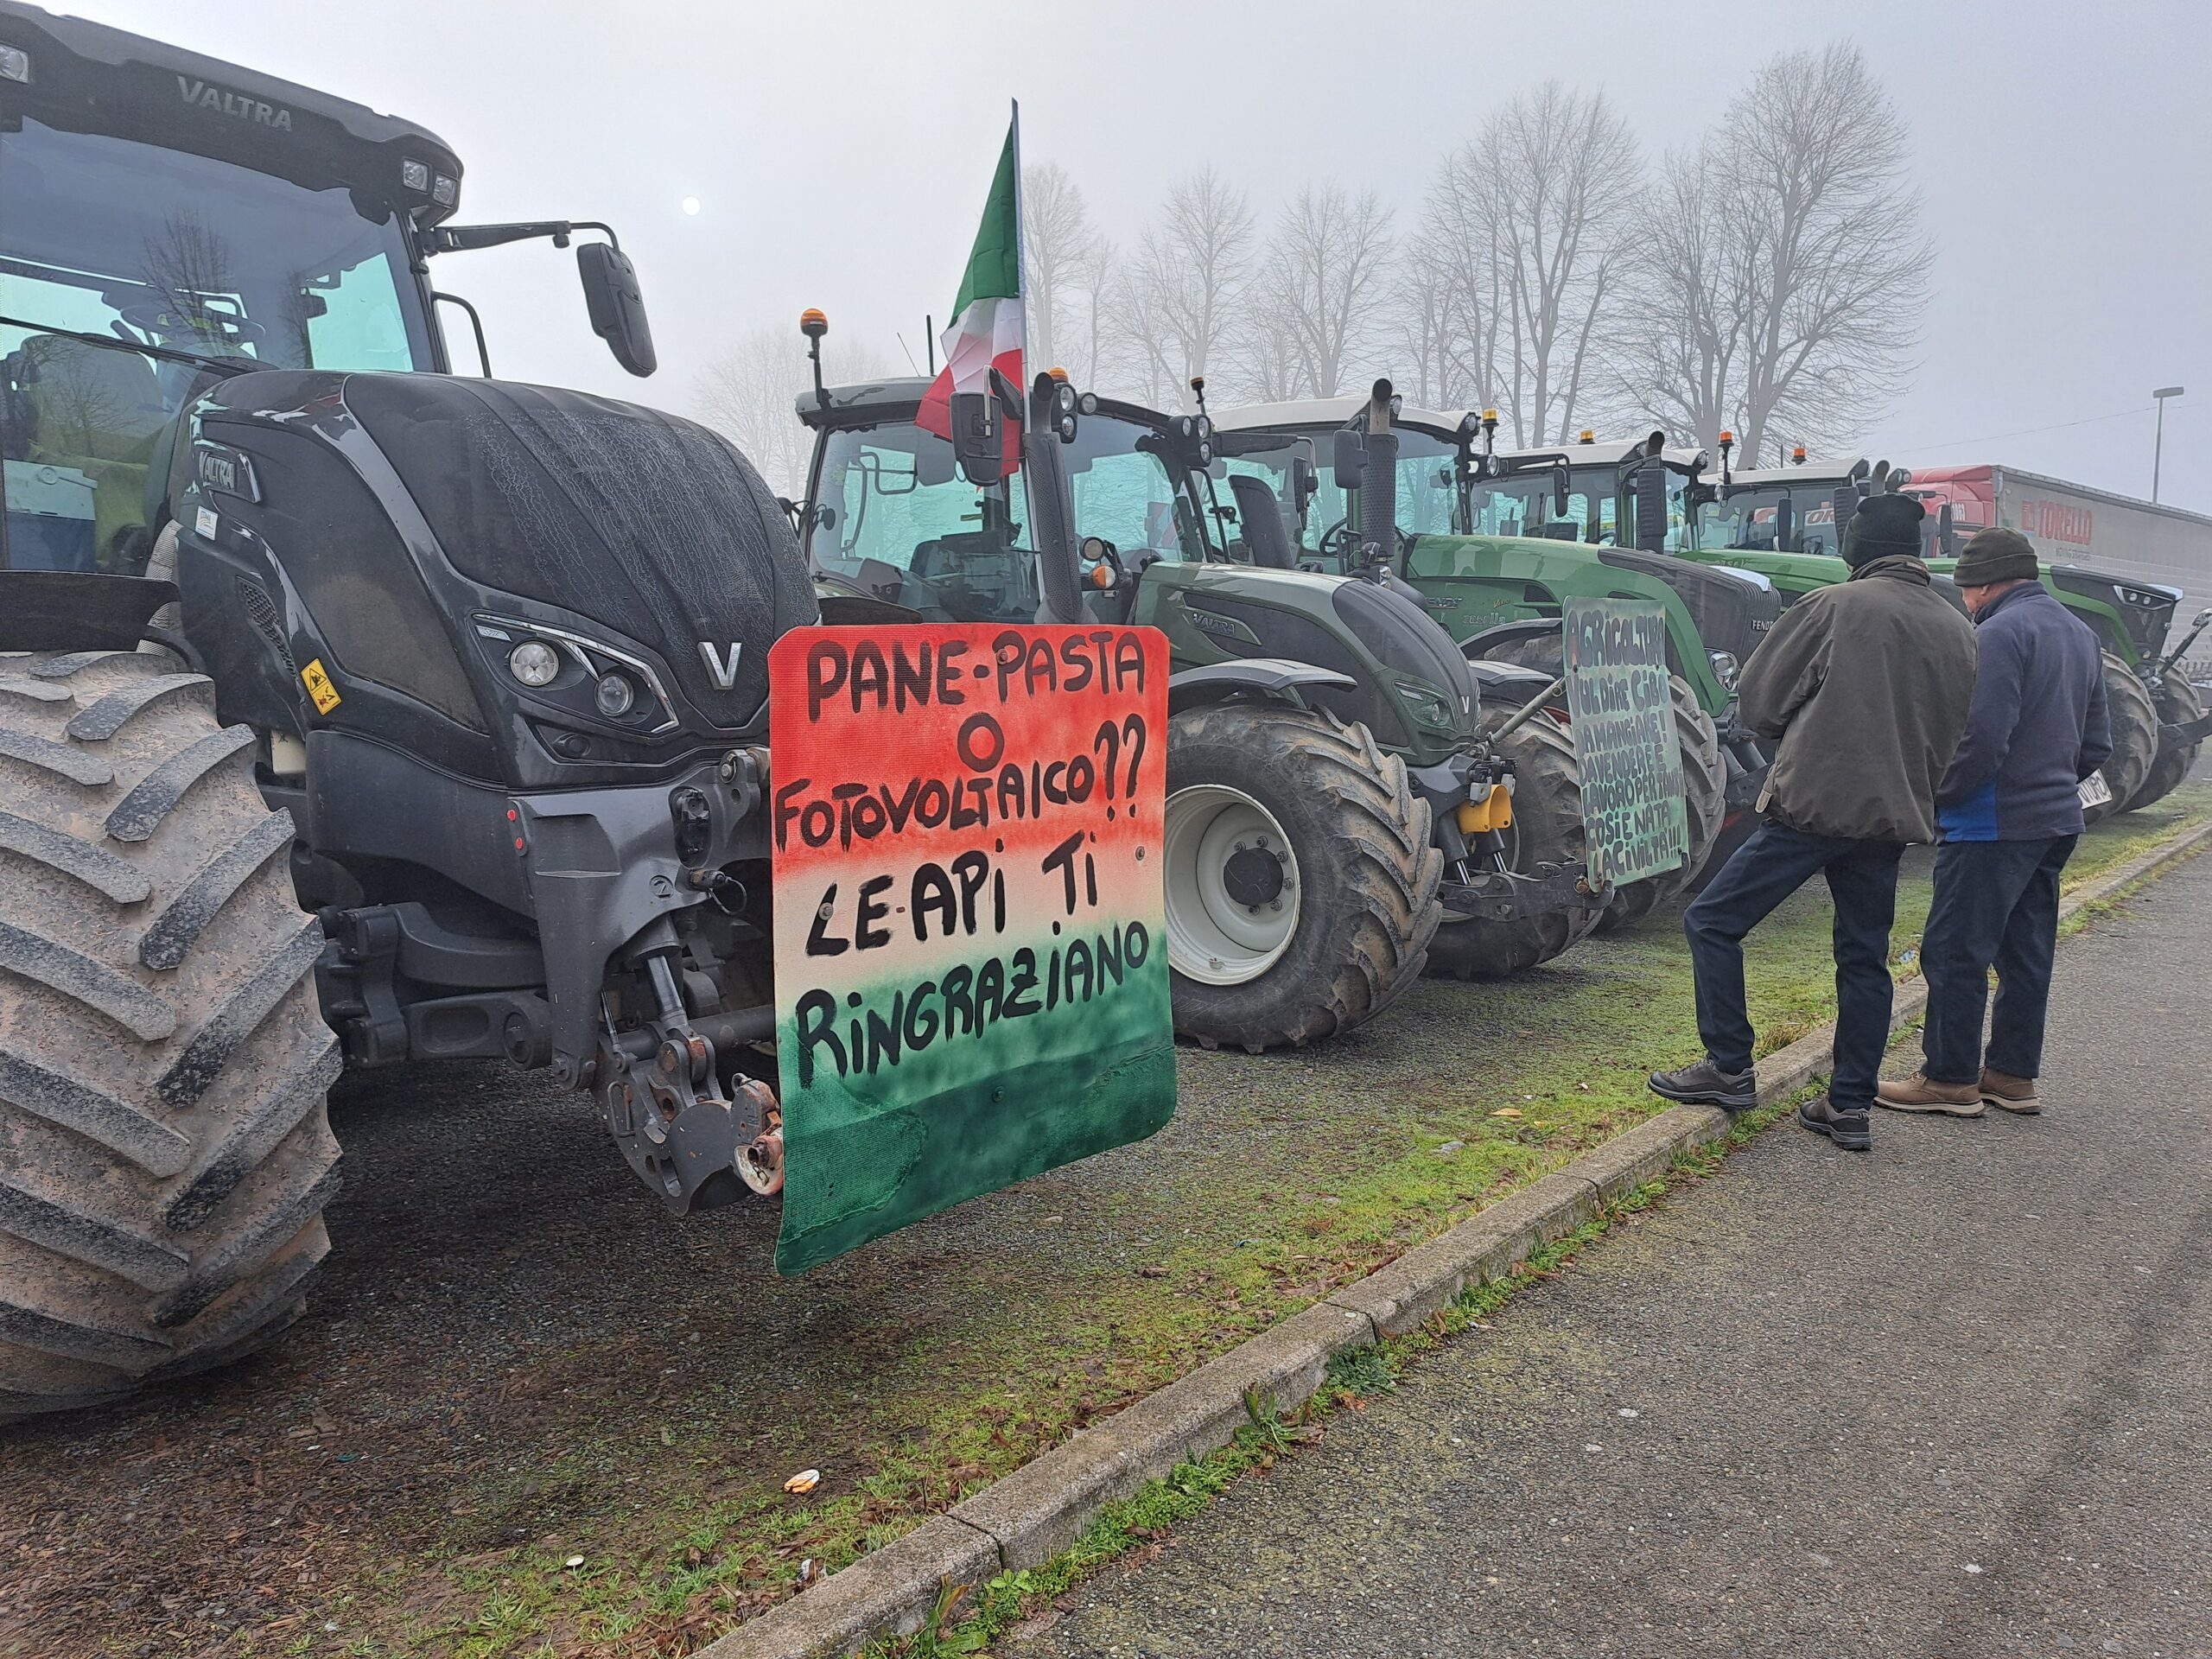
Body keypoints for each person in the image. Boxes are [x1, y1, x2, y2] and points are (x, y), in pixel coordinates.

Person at [1649, 493, 1979, 1151]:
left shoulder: (1833, 607)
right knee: (1864, 958)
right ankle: (1850, 1105)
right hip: (1892, 817)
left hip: (1814, 807)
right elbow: (1957, 727)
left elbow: (1761, 701)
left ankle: (1729, 1066)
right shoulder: (1955, 625)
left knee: (1711, 920)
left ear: (1861, 546)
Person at [1876, 529, 2112, 1120]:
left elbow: (1981, 737)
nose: (1966, 602)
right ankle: (2011, 1073)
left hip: (1991, 823)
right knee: (2025, 952)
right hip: (2054, 821)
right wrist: (2052, 782)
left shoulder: (2000, 634)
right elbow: (2097, 742)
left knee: (1956, 950)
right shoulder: (2079, 633)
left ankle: (1949, 1078)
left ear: (1982, 585)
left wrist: (1938, 798)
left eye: (1966, 591)